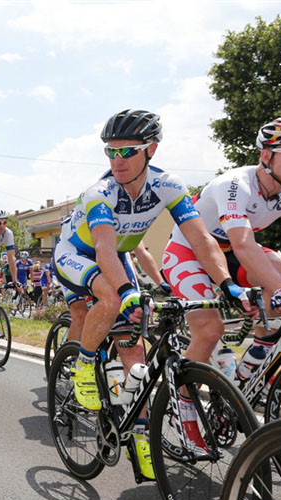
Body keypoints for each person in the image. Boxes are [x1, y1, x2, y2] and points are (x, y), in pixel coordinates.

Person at [53, 109, 248, 479]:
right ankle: (82, 365)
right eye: (111, 152)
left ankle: (141, 435)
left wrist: (227, 284)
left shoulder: (169, 185)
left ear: (151, 150)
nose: (117, 160)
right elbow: (106, 251)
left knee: (136, 352)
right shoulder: (102, 191)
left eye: (127, 152)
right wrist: (128, 291)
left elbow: (200, 237)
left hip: (115, 258)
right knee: (112, 301)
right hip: (78, 254)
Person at [162, 115, 281, 384]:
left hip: (231, 253)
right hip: (190, 251)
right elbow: (243, 242)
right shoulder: (234, 184)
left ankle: (248, 372)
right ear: (266, 155)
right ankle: (185, 410)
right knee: (209, 331)